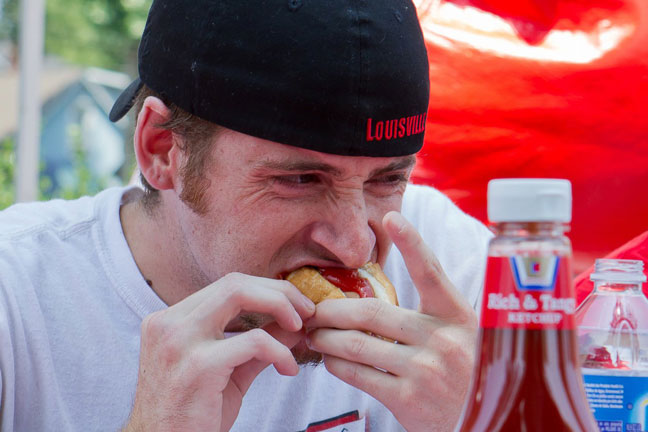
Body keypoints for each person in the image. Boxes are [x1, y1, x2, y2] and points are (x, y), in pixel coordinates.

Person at [0, 1, 492, 431]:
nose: (355, 247)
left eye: (387, 180)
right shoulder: (19, 300)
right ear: (162, 149)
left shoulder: (445, 272)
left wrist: (487, 417)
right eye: (299, 181)